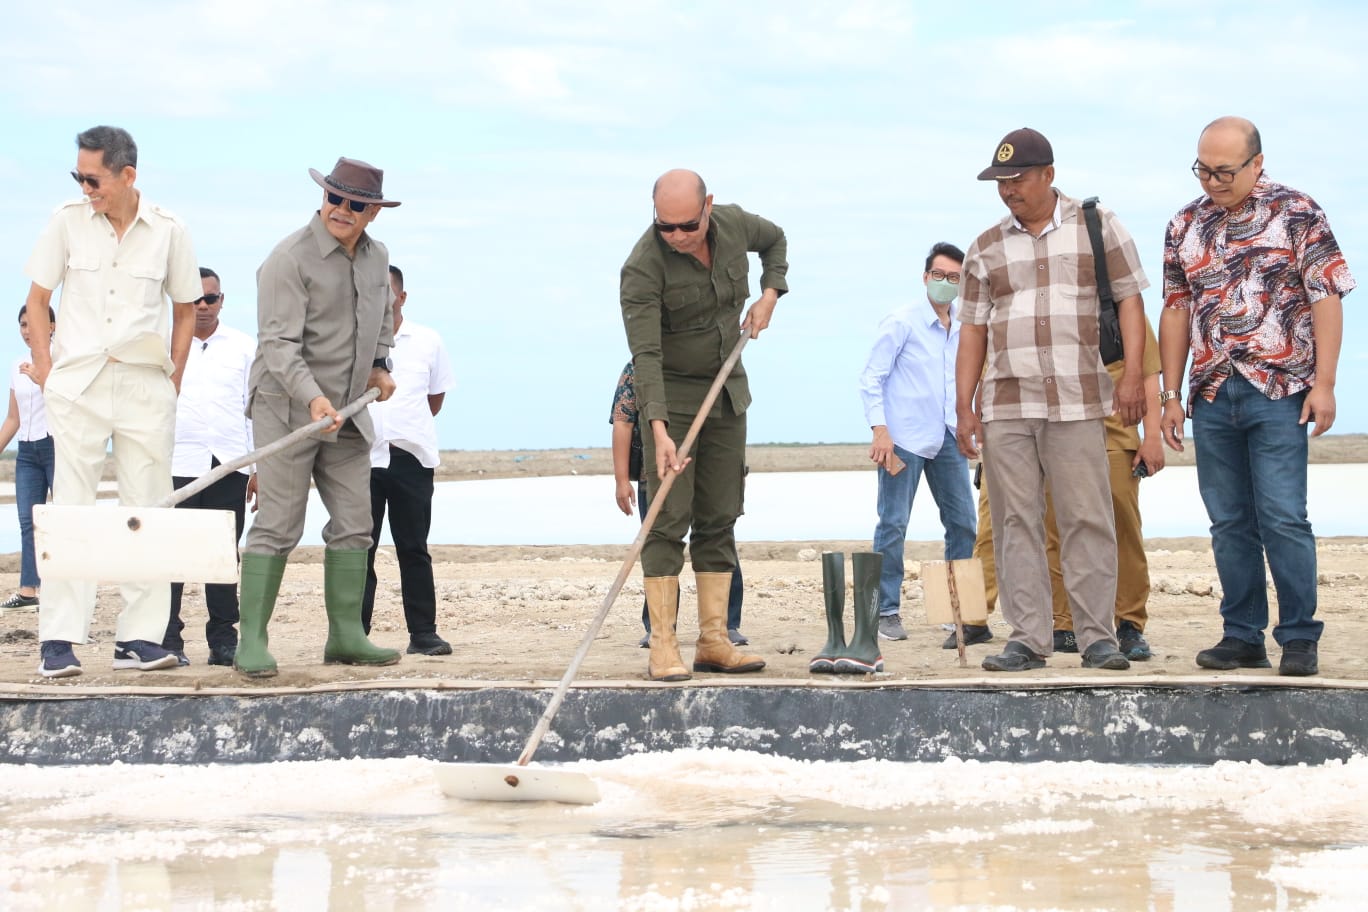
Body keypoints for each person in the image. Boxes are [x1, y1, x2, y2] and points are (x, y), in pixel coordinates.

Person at [1160, 116, 1354, 677]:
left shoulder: (1298, 212)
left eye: (1225, 171)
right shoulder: (1183, 224)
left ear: (1257, 163)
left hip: (1281, 390)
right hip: (1213, 394)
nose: (1212, 181)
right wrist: (1170, 394)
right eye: (1203, 169)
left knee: (1283, 517)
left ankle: (1298, 637)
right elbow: (1175, 310)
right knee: (1228, 521)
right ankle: (1241, 635)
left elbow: (1327, 296)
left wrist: (1326, 384)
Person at [955, 127, 1147, 673]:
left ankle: (1097, 637)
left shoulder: (1098, 226)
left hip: (1079, 398)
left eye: (1018, 180)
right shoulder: (985, 246)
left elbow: (1131, 302)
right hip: (1006, 404)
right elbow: (972, 331)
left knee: (1088, 517)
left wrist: (1133, 376)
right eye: (1000, 182)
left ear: (1049, 175)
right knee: (1015, 521)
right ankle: (1029, 638)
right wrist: (964, 405)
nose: (1008, 190)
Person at [23, 125, 200, 679]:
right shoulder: (66, 221)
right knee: (70, 508)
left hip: (146, 386)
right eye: (79, 176)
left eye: (93, 178)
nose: (85, 187)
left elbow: (186, 307)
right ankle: (58, 640)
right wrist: (49, 370)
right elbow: (38, 298)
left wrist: (172, 376)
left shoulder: (170, 230)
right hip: (78, 385)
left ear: (128, 175)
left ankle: (138, 640)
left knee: (146, 509)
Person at [234, 157, 402, 678]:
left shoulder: (378, 259)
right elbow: (278, 345)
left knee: (357, 522)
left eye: (356, 205)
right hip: (286, 407)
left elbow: (381, 321)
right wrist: (311, 399)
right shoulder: (288, 258)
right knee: (280, 523)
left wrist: (380, 366)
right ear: (324, 198)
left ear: (372, 212)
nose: (343, 211)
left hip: (348, 411)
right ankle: (251, 642)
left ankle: (346, 636)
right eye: (336, 199)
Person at [620, 169, 786, 681]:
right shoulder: (642, 269)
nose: (676, 237)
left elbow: (776, 241)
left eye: (686, 225)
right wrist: (660, 429)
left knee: (720, 515)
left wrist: (769, 293)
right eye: (665, 227)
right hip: (673, 398)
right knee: (668, 520)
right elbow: (644, 357)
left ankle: (714, 640)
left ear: (708, 207)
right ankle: (663, 645)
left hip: (727, 391)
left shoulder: (735, 226)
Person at [967, 318, 1166, 660]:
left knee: (1120, 522)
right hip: (1051, 417)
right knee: (1053, 526)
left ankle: (1130, 623)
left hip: (1114, 420)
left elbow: (1147, 371)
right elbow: (991, 372)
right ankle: (1064, 624)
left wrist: (1152, 437)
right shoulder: (1030, 299)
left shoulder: (1114, 299)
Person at [859, 242, 977, 643]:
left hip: (947, 436)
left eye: (955, 278)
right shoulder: (901, 322)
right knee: (893, 524)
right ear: (926, 277)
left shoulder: (966, 323)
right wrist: (880, 430)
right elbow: (871, 378)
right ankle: (885, 611)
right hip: (902, 439)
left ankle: (957, 613)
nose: (946, 284)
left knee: (963, 523)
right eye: (939, 275)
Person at [610, 360, 747, 649]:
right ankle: (659, 628)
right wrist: (622, 480)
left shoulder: (712, 360)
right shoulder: (639, 368)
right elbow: (623, 421)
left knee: (719, 535)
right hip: (657, 472)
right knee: (659, 541)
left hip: (708, 472)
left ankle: (726, 624)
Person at [162, 266, 257, 667]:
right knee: (171, 554)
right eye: (195, 299)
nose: (202, 306)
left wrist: (257, 466)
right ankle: (167, 638)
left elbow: (254, 409)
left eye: (211, 298)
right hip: (175, 463)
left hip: (229, 463)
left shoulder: (243, 346)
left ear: (222, 300)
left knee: (222, 555)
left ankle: (223, 639)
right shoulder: (162, 344)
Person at [361, 264, 456, 656]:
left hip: (410, 460)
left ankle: (423, 633)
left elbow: (435, 399)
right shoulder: (354, 342)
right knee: (358, 549)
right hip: (360, 460)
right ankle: (353, 633)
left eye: (386, 291)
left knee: (413, 548)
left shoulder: (428, 340)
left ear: (401, 297)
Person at [0, 305, 57, 614]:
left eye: (32, 323)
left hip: (57, 447)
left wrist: (42, 380)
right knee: (27, 521)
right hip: (27, 452)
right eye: (22, 324)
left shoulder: (64, 361)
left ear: (52, 326)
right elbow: (13, 417)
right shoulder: (15, 365)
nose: (26, 329)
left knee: (61, 519)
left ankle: (63, 587)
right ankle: (28, 590)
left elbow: (70, 405)